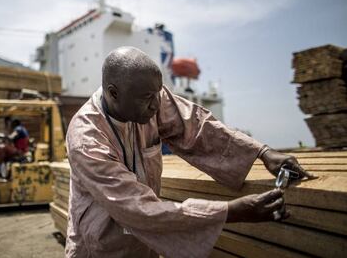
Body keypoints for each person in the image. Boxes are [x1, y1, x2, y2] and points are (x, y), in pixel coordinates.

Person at [65, 46, 313, 258]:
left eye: (158, 94)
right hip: (99, 248)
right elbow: (135, 207)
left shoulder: (151, 100)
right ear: (114, 93)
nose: (155, 105)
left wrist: (263, 152)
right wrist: (231, 211)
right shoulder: (87, 140)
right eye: (147, 98)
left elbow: (197, 126)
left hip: (144, 246)